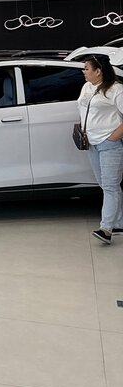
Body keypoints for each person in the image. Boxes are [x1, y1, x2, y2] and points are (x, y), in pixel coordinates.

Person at [78, 54, 123, 245]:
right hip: (91, 143)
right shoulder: (87, 87)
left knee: (111, 186)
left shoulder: (116, 90)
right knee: (106, 185)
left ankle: (106, 229)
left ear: (98, 71)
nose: (83, 71)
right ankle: (119, 223)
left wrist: (113, 136)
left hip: (109, 144)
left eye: (86, 68)